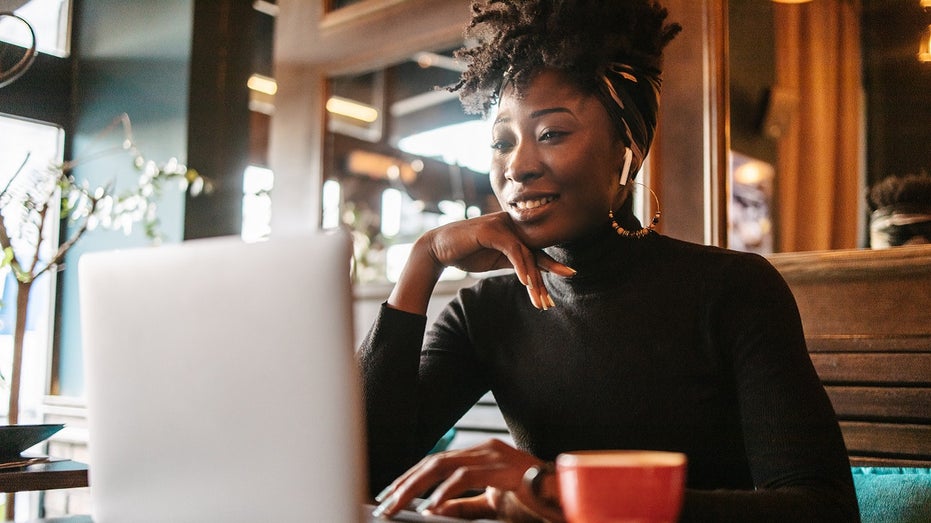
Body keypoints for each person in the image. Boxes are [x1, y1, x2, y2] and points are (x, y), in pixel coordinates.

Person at [361, 1, 860, 521]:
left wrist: (559, 492)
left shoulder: (733, 290)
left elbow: (823, 510)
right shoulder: (484, 313)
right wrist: (424, 261)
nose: (518, 166)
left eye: (552, 133)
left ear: (629, 147)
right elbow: (365, 470)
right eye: (500, 142)